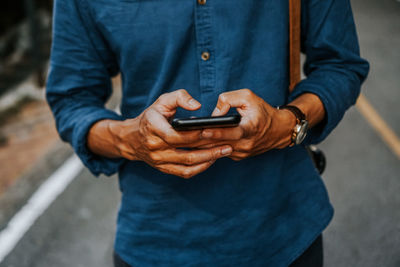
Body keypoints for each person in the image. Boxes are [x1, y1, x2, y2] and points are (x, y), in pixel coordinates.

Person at [46, 0, 369, 266]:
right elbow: (72, 100)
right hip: (154, 239)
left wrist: (287, 124)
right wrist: (129, 138)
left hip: (286, 232)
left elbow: (340, 64)